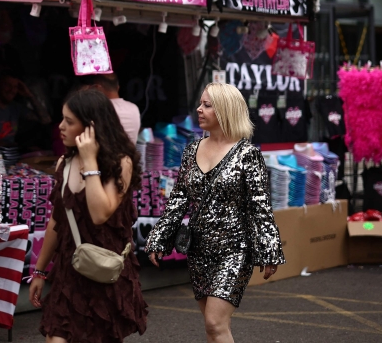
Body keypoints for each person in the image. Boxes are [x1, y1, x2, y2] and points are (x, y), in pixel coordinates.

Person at [145, 83, 284, 343]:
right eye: (200, 103)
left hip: (234, 249)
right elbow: (178, 199)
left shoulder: (248, 155)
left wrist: (269, 250)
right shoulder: (191, 150)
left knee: (215, 322)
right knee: (213, 328)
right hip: (199, 249)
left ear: (225, 110)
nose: (199, 109)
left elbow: (260, 205)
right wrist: (159, 238)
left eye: (207, 105)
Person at [29, 89, 148, 342]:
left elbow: (99, 214)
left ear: (90, 128)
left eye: (69, 121)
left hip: (104, 274)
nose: (60, 127)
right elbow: (56, 221)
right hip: (70, 271)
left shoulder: (120, 163)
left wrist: (90, 162)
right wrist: (39, 272)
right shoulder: (64, 163)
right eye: (62, 119)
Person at [0, 68, 50, 149]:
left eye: (15, 87)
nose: (12, 90)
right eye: (8, 85)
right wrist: (23, 149)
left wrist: (29, 95)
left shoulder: (15, 107)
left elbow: (46, 120)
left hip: (12, 154)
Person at [85, 73, 141, 144]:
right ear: (117, 87)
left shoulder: (97, 109)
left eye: (92, 87)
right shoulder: (134, 108)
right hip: (130, 154)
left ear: (98, 88)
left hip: (105, 155)